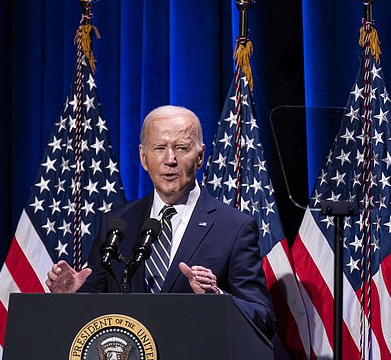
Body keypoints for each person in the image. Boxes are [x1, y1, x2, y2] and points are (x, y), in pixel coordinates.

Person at [46, 105, 276, 339]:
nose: (170, 160)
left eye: (182, 148)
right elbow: (94, 310)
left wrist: (217, 297)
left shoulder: (234, 227)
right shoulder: (116, 223)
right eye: (159, 148)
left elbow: (264, 319)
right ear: (143, 158)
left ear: (200, 156)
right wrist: (72, 297)